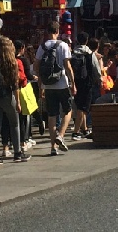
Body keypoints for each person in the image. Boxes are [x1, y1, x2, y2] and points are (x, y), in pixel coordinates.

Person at [0, 36, 29, 165]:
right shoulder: (12, 62)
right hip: (7, 96)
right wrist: (18, 102)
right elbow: (15, 84)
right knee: (14, 124)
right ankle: (17, 153)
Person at [35, 21, 77, 157]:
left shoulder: (42, 47)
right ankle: (61, 135)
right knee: (68, 111)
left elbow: (37, 67)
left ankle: (53, 147)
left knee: (52, 116)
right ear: (58, 31)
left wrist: (41, 85)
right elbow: (68, 66)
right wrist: (73, 83)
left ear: (47, 32)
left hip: (48, 85)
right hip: (62, 83)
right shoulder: (63, 45)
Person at [71, 32, 101, 140]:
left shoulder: (72, 53)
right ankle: (76, 132)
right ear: (87, 40)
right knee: (83, 107)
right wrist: (99, 79)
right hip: (87, 82)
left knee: (79, 104)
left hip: (75, 82)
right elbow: (96, 69)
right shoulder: (89, 53)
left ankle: (84, 129)